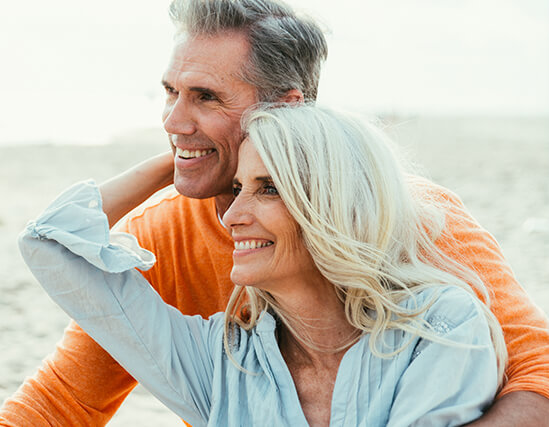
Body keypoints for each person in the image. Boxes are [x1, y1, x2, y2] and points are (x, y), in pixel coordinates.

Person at [1, 0, 548, 425]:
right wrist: (184, 157)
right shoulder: (169, 255)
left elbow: (539, 380)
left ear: (286, 110)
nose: (173, 118)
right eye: (169, 93)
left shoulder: (418, 226)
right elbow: (60, 405)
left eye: (205, 97)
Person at [20, 104, 506, 426]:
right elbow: (50, 245)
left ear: (333, 205)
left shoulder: (440, 326)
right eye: (236, 187)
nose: (232, 215)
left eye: (268, 187)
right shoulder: (219, 359)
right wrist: (185, 160)